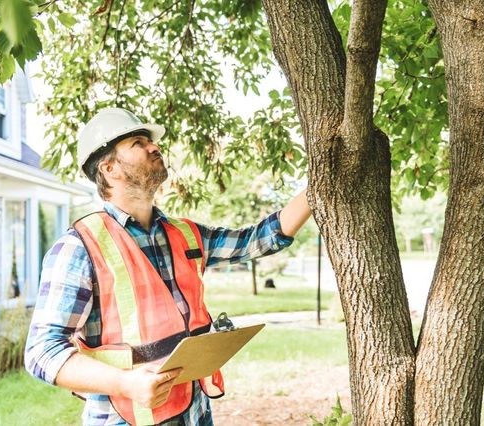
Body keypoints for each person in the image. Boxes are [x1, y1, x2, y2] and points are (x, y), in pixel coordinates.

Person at [24, 107, 311, 426]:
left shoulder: (185, 234)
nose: (154, 147)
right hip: (126, 417)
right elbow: (41, 352)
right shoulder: (79, 247)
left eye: (150, 141)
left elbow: (259, 239)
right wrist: (124, 383)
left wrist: (316, 188)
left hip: (195, 411)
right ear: (109, 168)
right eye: (138, 142)